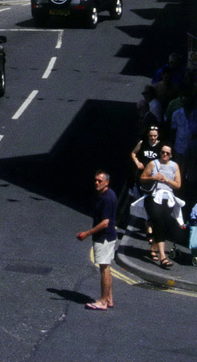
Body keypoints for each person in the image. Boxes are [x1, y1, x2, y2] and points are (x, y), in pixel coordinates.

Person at [75, 171, 118, 311]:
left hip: (104, 238)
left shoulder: (106, 198)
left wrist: (87, 233)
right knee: (107, 268)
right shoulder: (109, 194)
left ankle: (103, 301)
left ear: (107, 182)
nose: (97, 183)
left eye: (100, 181)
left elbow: (105, 222)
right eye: (96, 180)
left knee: (104, 269)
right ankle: (109, 298)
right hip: (109, 236)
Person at [139, 145, 184, 268]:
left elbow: (178, 185)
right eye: (163, 152)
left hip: (167, 199)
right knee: (159, 222)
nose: (164, 155)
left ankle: (153, 249)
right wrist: (153, 177)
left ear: (171, 155)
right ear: (160, 153)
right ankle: (163, 257)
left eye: (167, 153)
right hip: (153, 197)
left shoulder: (174, 166)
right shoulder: (153, 164)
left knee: (163, 224)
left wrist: (166, 180)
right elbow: (142, 178)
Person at [128, 124, 164, 246]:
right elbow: (133, 153)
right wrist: (137, 162)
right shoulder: (142, 143)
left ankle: (151, 229)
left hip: (155, 180)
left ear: (158, 135)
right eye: (150, 136)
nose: (152, 138)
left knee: (152, 203)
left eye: (154, 136)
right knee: (144, 203)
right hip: (142, 179)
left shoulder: (160, 146)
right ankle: (149, 230)